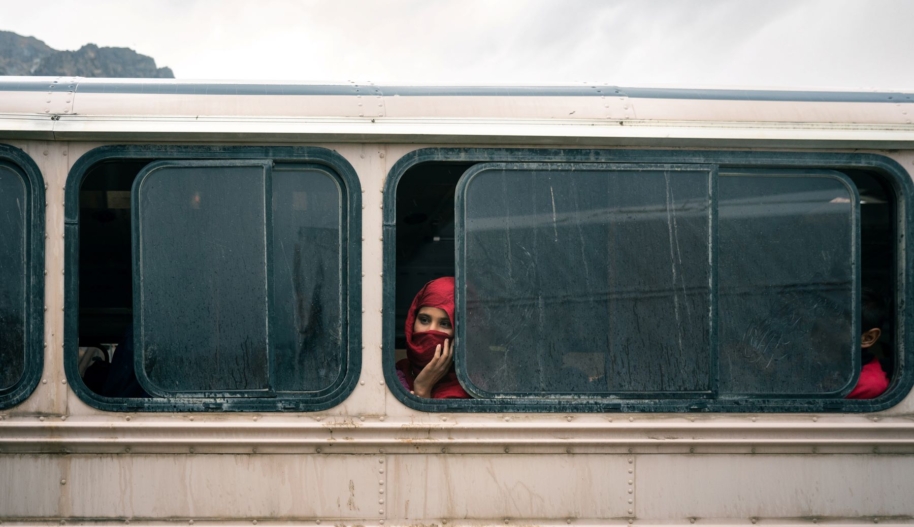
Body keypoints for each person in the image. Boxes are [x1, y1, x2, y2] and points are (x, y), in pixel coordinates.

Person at [396, 277, 470, 399]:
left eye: (445, 323)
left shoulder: (477, 387)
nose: (431, 330)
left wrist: (422, 389)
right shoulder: (395, 377)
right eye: (424, 320)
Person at [846, 289, 890, 399]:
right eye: (815, 327)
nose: (814, 337)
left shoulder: (866, 384)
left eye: (830, 330)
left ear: (867, 338)